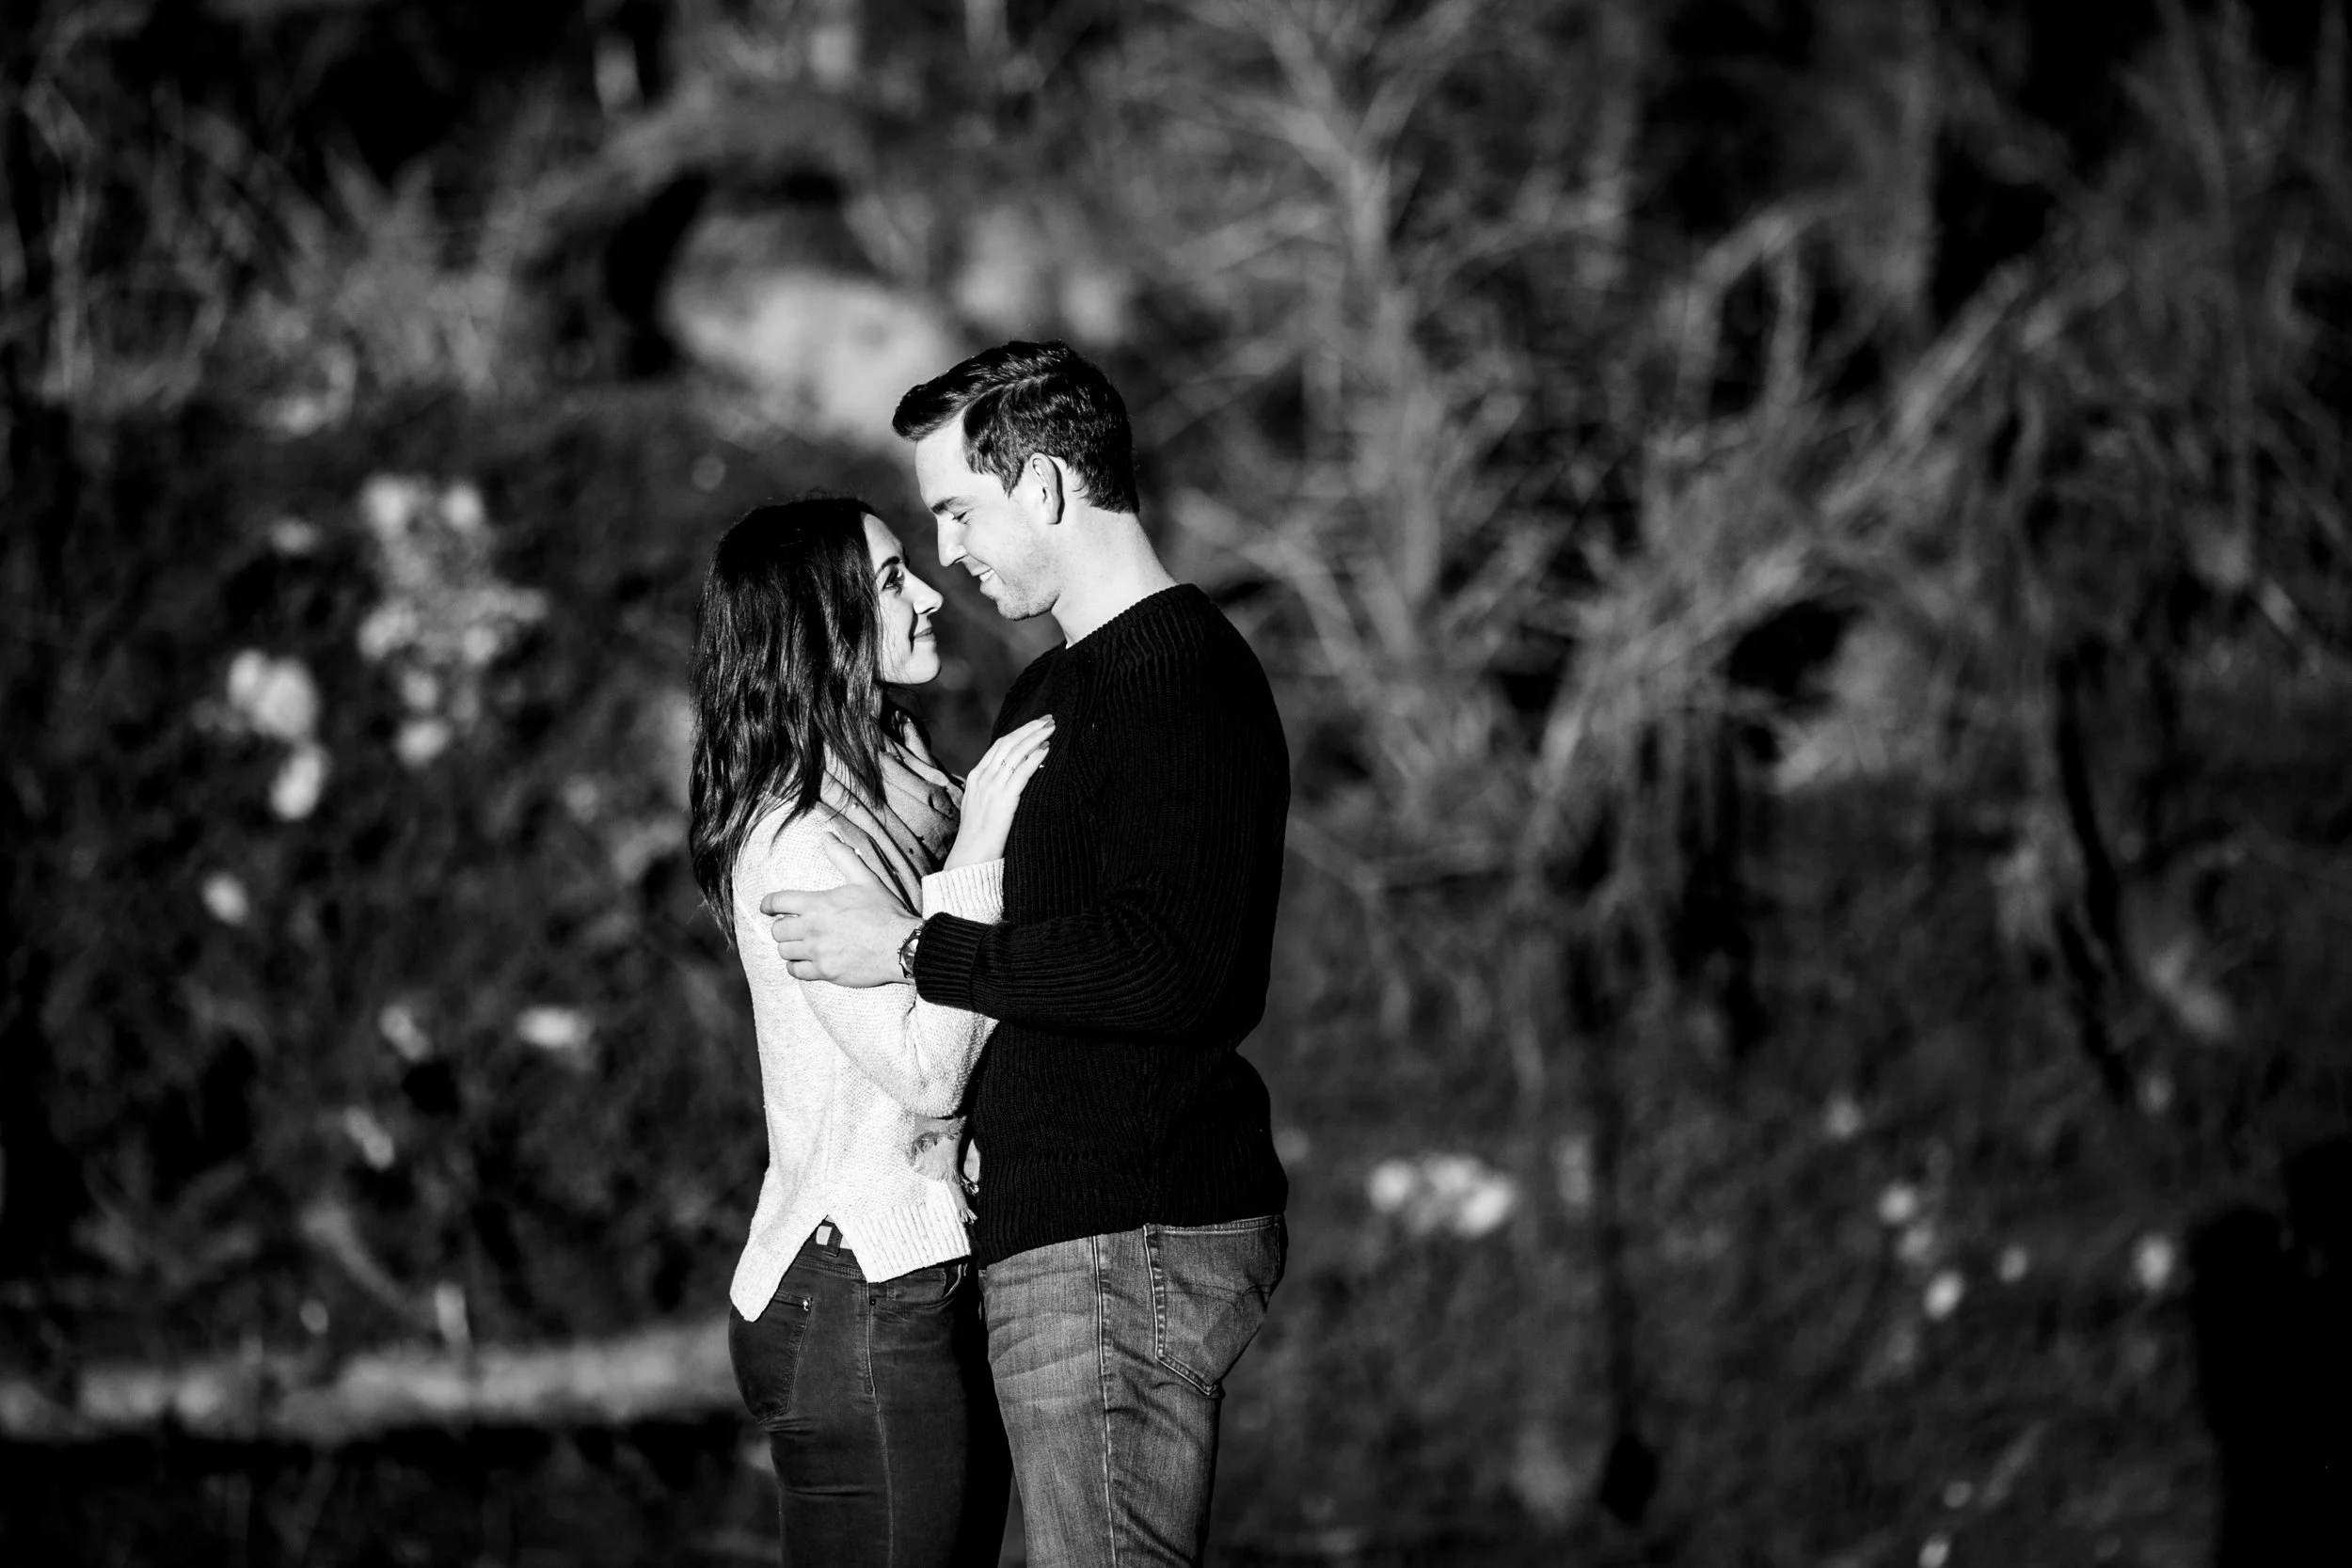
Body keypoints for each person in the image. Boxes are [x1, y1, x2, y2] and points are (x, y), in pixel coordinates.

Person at [758, 341, 1292, 1568]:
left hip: (1129, 1230)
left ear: (1045, 485)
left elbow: (1178, 967)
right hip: (1051, 1229)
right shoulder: (1047, 687)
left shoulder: (1186, 679)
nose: (947, 550)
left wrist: (908, 946)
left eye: (956, 506)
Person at [688, 497, 1053, 1568]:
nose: (930, 592)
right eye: (893, 580)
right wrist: (980, 845)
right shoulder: (798, 842)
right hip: (861, 1297)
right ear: (822, 622)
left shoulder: (883, 798)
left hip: (894, 1292)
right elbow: (928, 1070)